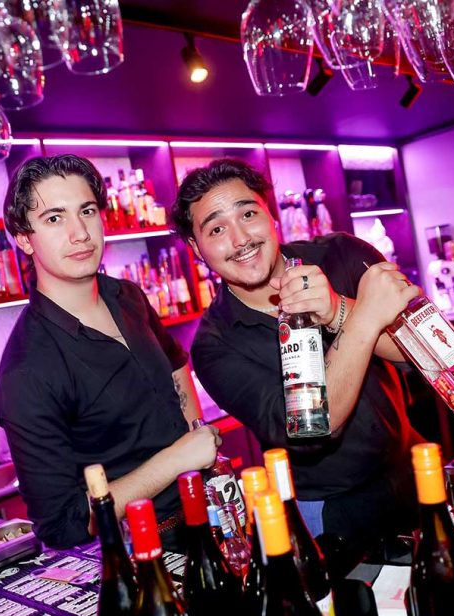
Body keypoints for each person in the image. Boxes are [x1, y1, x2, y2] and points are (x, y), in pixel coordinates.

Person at [173, 158, 424, 551]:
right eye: (217, 229)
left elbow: (425, 356)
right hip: (331, 510)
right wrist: (361, 318)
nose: (241, 239)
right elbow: (314, 430)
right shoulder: (214, 345)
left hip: (414, 468)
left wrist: (338, 309)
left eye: (248, 214)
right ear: (196, 247)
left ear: (271, 215)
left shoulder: (342, 254)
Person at [0, 154, 220, 550]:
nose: (80, 233)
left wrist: (197, 439)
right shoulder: (28, 371)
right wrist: (178, 459)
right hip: (137, 549)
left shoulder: (127, 296)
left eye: (86, 211)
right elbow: (64, 523)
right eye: (54, 218)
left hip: (206, 513)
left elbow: (175, 366)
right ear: (24, 238)